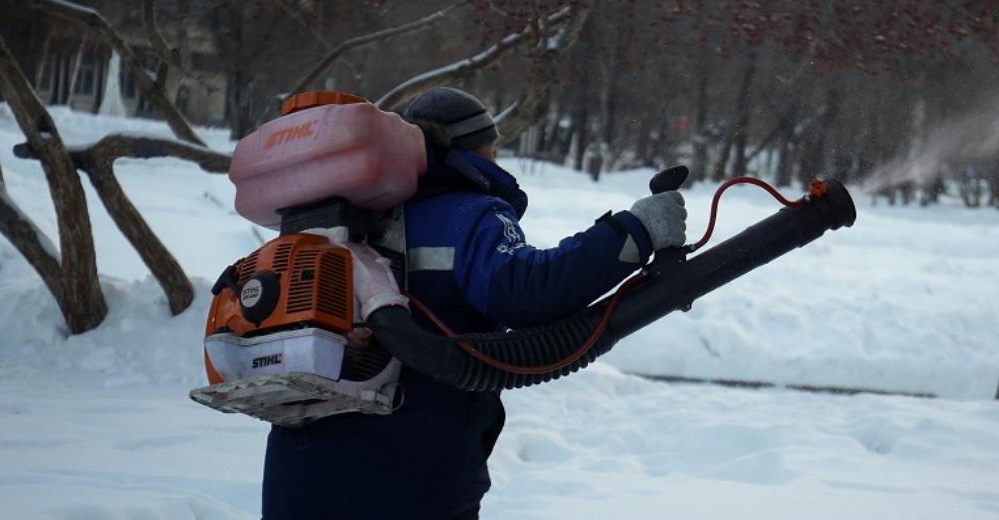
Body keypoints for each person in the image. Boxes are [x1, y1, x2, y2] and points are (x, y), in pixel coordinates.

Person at [261, 87, 688, 520]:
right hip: (406, 477)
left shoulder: (333, 228)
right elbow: (527, 290)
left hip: (297, 476)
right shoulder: (464, 214)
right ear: (477, 149)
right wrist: (639, 230)